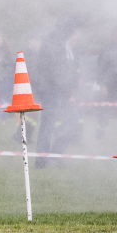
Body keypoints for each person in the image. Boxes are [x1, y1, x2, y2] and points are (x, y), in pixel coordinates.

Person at [35, 17, 83, 160]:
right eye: (74, 32)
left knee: (71, 119)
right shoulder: (56, 43)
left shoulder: (62, 43)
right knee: (48, 125)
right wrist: (68, 95)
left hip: (59, 90)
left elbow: (68, 70)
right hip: (52, 90)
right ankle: (42, 160)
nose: (76, 35)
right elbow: (56, 73)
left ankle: (55, 154)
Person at [96, 27, 117, 137]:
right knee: (104, 109)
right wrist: (102, 85)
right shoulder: (106, 50)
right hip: (108, 86)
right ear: (112, 36)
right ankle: (100, 131)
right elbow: (100, 68)